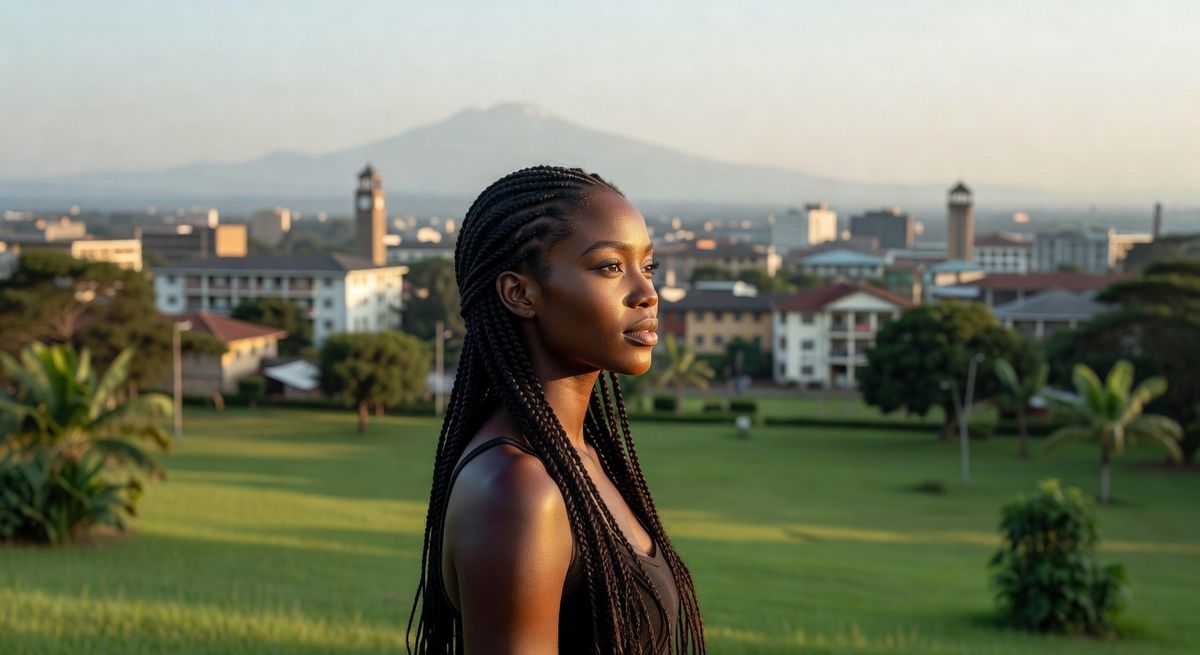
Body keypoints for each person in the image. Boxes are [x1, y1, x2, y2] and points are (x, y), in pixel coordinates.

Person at [407, 166, 706, 654]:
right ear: (521, 293)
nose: (647, 293)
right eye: (610, 267)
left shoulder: (578, 454)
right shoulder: (519, 492)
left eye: (647, 267)